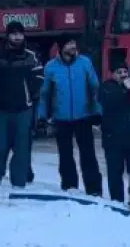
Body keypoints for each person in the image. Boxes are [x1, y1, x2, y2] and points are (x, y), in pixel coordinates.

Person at [37, 38, 103, 196]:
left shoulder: (85, 63)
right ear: (61, 47)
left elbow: (95, 88)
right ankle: (69, 186)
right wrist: (42, 115)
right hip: (61, 117)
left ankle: (94, 189)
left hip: (84, 116)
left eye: (74, 43)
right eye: (68, 44)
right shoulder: (51, 67)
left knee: (88, 155)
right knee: (65, 155)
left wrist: (97, 111)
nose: (73, 46)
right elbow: (44, 94)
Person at [0, 21, 43, 188]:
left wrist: (30, 93)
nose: (17, 37)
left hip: (23, 109)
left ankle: (19, 183)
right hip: (0, 109)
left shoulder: (30, 56)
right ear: (7, 35)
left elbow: (40, 78)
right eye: (13, 33)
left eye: (20, 33)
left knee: (22, 149)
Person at [98, 61, 130, 210]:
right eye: (119, 72)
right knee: (115, 172)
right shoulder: (106, 87)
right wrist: (124, 90)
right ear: (112, 74)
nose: (123, 75)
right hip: (113, 138)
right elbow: (110, 103)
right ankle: (117, 202)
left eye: (125, 72)